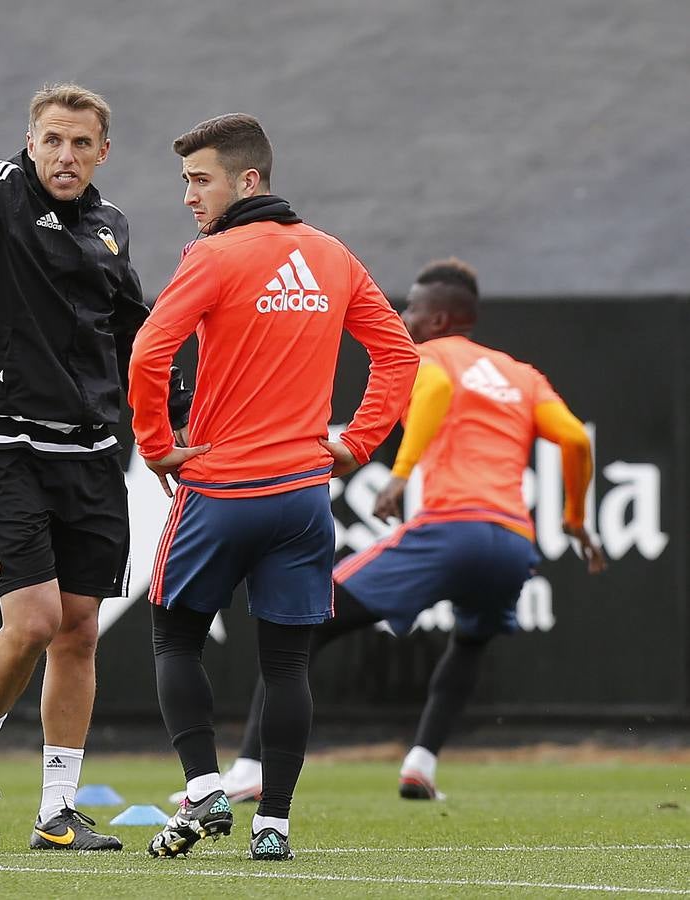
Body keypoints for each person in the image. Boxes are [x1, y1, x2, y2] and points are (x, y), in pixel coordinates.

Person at [129, 114, 418, 861]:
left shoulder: (212, 255)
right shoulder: (331, 254)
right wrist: (354, 446)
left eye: (201, 180)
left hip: (220, 491)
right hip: (300, 497)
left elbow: (148, 354)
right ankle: (274, 826)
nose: (189, 196)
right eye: (186, 180)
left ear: (247, 180)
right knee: (287, 663)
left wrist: (160, 448)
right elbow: (399, 357)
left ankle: (201, 789)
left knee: (173, 636)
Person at [214, 257, 606, 805]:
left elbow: (440, 387)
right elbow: (577, 442)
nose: (402, 315)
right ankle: (421, 763)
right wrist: (575, 520)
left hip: (451, 529)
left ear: (440, 319)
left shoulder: (426, 356)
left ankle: (251, 766)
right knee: (471, 640)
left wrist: (400, 477)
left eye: (413, 307)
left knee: (300, 620)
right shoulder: (521, 373)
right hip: (514, 542)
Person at [0, 84, 188, 851]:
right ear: (29, 143)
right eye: (52, 141)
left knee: (78, 633)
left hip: (93, 451)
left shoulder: (110, 227)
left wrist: (172, 407)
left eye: (81, 143)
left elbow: (134, 332)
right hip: (8, 446)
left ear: (103, 151)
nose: (64, 156)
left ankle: (57, 810)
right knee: (33, 621)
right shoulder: (0, 194)